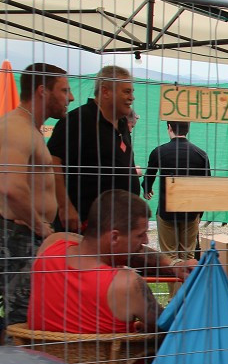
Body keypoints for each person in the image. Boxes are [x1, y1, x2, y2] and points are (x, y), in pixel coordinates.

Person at [27, 190, 193, 335]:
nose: (146, 240)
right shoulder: (126, 283)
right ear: (114, 237)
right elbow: (167, 330)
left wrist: (173, 265)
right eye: (140, 235)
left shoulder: (52, 244)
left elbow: (87, 243)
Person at [0, 63, 73, 333]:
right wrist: (40, 226)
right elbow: (10, 187)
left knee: (25, 316)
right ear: (43, 91)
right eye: (64, 90)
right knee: (21, 320)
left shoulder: (29, 128)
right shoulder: (16, 128)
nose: (71, 97)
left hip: (25, 235)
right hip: (19, 236)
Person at [49, 65, 141, 231]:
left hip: (117, 225)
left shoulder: (122, 125)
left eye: (132, 92)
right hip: (85, 226)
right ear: (105, 91)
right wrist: (65, 207)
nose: (132, 97)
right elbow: (53, 163)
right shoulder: (78, 120)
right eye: (126, 92)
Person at [142, 122, 211, 271]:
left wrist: (147, 188)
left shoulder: (159, 152)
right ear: (188, 129)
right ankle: (189, 293)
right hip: (191, 212)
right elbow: (207, 185)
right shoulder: (200, 154)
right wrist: (200, 213)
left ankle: (174, 294)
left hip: (167, 210)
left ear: (169, 128)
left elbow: (149, 175)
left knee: (170, 259)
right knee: (188, 256)